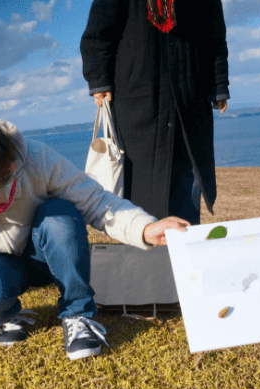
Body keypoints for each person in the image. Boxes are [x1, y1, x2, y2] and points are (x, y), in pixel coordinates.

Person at [0, 103, 188, 368]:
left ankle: (78, 313)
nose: (4, 187)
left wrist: (144, 228)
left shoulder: (33, 157)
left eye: (8, 173)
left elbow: (94, 200)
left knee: (60, 214)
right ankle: (5, 316)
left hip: (44, 257)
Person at [80, 0, 230, 226]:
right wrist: (99, 80)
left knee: (187, 182)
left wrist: (218, 85)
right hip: (137, 104)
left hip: (190, 101)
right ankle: (144, 250)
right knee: (140, 190)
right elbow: (98, 33)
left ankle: (181, 251)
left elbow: (214, 33)